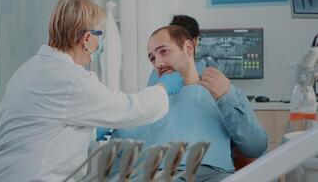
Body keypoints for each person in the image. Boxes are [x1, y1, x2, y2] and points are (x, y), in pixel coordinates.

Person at [0, 0, 184, 182]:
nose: (99, 45)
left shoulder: (30, 69)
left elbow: (45, 126)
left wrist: (91, 133)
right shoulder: (71, 79)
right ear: (86, 38)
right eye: (99, 37)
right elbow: (128, 109)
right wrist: (162, 89)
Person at [110, 26, 268, 182]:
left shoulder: (224, 92)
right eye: (152, 58)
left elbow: (256, 147)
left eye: (163, 51)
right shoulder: (151, 99)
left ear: (188, 48)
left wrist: (226, 98)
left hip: (217, 175)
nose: (157, 63)